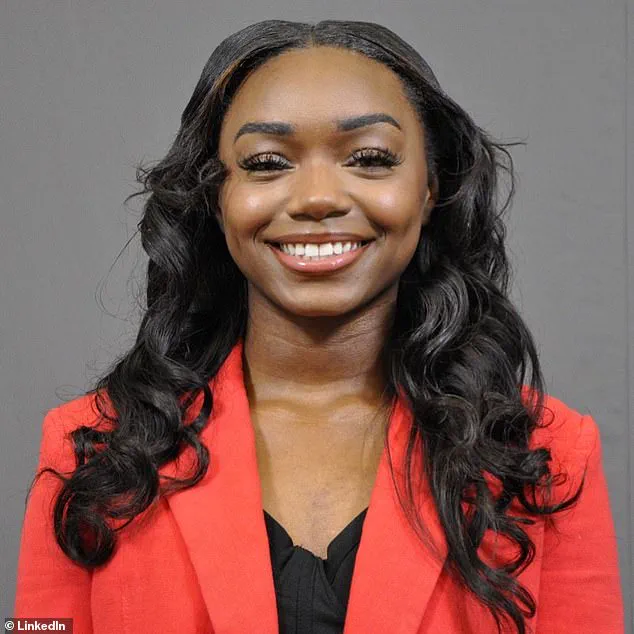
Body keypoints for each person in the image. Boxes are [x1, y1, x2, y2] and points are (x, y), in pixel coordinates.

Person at [13, 19, 624, 634]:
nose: (317, 198)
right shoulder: (94, 449)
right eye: (267, 162)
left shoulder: (545, 458)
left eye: (370, 159)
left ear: (430, 189)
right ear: (216, 196)